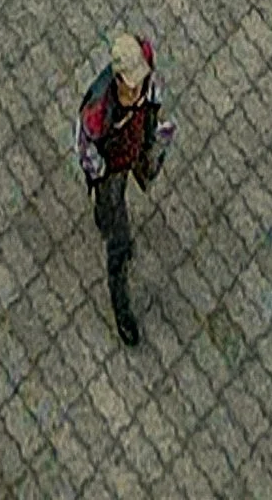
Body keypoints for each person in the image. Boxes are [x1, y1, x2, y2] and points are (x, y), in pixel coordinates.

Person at [75, 29, 167, 348]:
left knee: (113, 208)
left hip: (133, 153)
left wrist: (151, 144)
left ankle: (105, 216)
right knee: (118, 240)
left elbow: (154, 95)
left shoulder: (145, 75)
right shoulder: (98, 111)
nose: (138, 89)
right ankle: (121, 308)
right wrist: (102, 176)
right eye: (131, 85)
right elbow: (86, 152)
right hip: (111, 169)